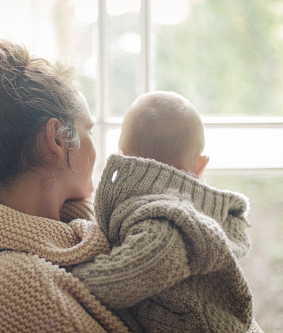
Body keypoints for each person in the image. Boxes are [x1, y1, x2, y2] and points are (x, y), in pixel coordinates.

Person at [0, 36, 129, 333]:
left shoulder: (69, 244)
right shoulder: (13, 282)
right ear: (57, 140)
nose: (98, 148)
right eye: (89, 130)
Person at [72, 91, 263, 333]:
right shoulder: (166, 208)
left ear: (123, 156)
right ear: (199, 166)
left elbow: (140, 267)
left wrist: (77, 280)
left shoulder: (167, 217)